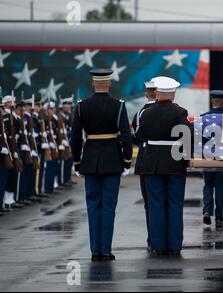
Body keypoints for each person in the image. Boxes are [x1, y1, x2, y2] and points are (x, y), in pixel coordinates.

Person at [71, 68, 132, 261]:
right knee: (108, 207)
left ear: (93, 84)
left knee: (92, 206)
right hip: (112, 161)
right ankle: (105, 250)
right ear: (109, 84)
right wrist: (127, 160)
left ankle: (95, 250)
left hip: (90, 160)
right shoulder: (118, 105)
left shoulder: (82, 106)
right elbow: (126, 136)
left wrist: (77, 162)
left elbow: (75, 138)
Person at [136, 76, 193, 256]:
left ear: (157, 93)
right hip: (174, 163)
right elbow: (188, 136)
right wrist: (186, 158)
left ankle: (157, 245)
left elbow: (139, 135)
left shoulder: (146, 113)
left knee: (156, 205)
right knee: (175, 205)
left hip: (152, 163)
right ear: (173, 94)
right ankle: (174, 245)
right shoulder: (180, 112)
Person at [132, 79, 157, 249]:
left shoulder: (140, 113)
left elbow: (137, 137)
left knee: (149, 203)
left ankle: (152, 239)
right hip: (166, 161)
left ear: (146, 94)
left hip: (145, 160)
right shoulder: (171, 109)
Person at [201, 90, 223, 230]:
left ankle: (207, 210)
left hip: (207, 156)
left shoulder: (203, 117)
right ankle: (219, 216)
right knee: (220, 187)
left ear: (212, 100)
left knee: (208, 185)